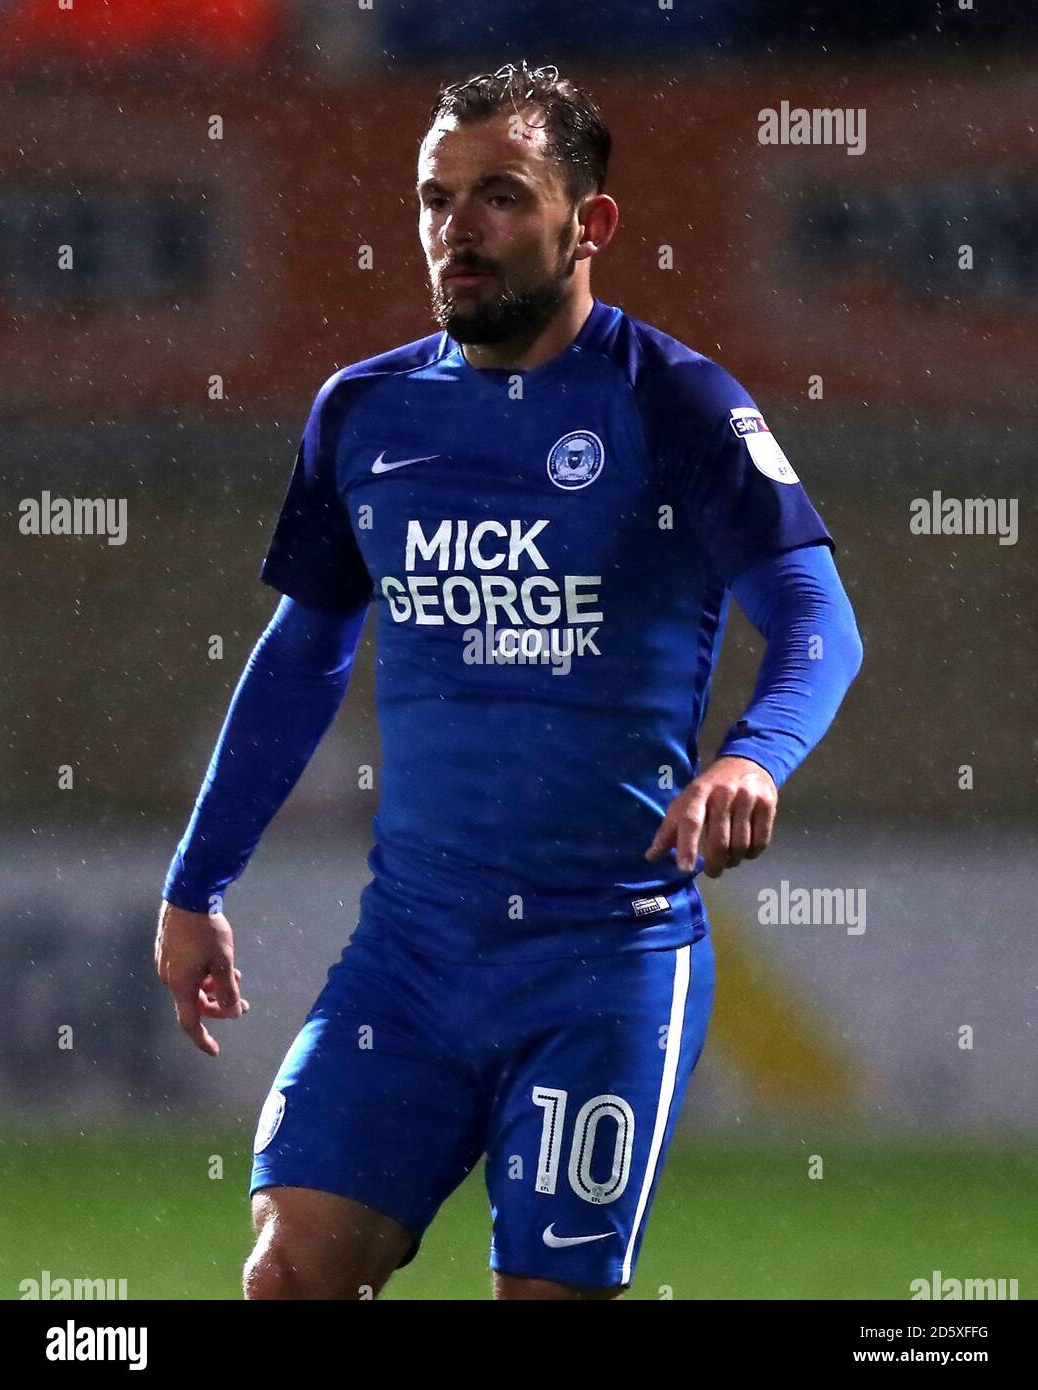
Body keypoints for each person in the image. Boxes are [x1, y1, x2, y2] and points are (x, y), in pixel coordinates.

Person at [156, 60, 863, 1301]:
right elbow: (302, 654)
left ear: (588, 222)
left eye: (498, 195)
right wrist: (196, 882)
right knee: (286, 1278)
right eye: (434, 198)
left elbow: (817, 616)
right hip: (411, 956)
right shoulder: (362, 413)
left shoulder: (674, 402)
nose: (456, 229)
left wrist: (754, 753)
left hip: (607, 960)